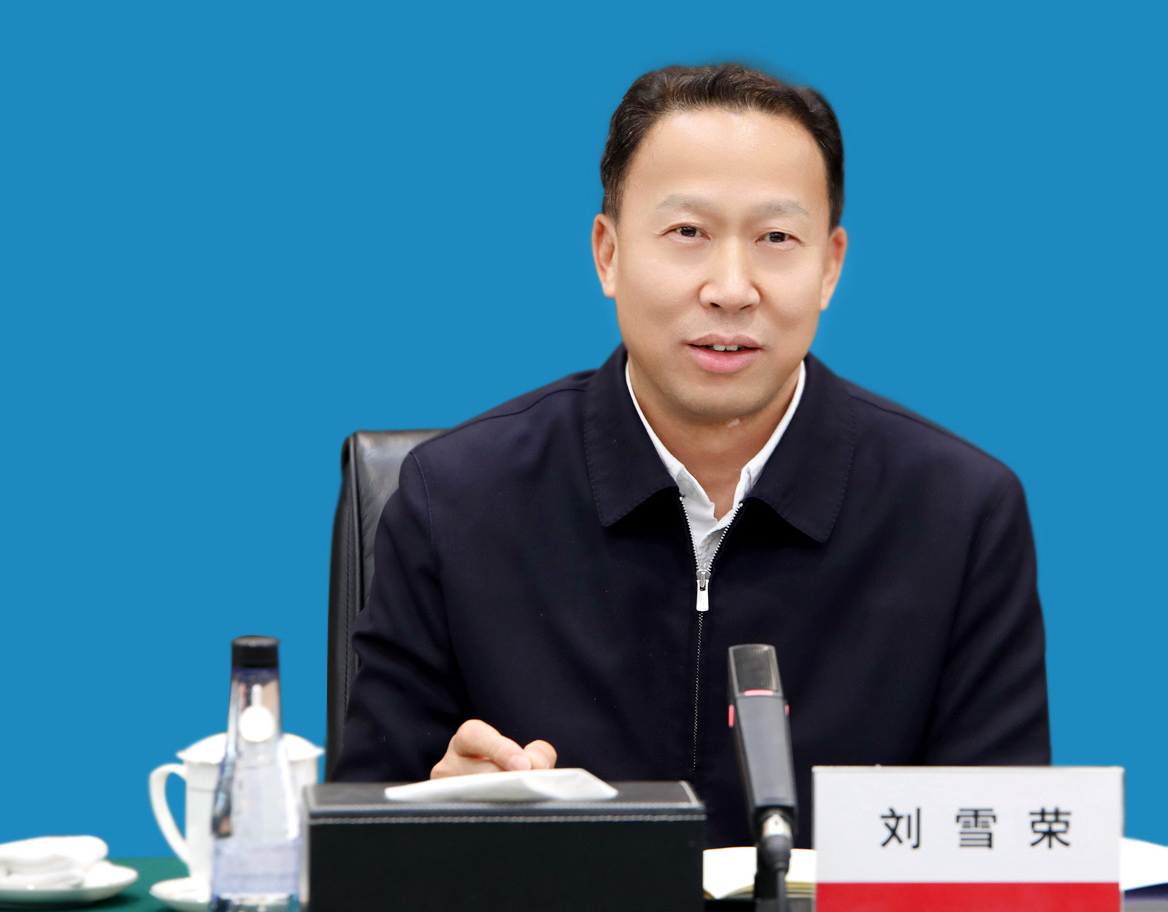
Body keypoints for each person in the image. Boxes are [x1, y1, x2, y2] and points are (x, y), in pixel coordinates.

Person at [335, 63, 1050, 847]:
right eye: (687, 234)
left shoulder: (958, 514)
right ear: (607, 254)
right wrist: (431, 816)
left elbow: (1004, 855)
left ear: (829, 266)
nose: (731, 288)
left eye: (776, 238)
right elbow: (353, 845)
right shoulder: (454, 500)